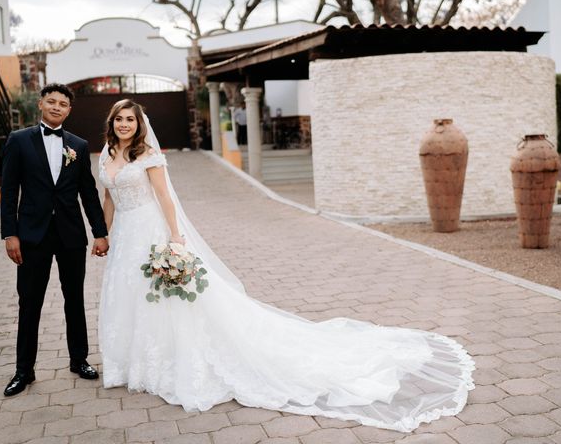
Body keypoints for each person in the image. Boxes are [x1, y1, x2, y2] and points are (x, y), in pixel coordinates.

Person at [98, 99, 475, 432]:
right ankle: (137, 365)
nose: (125, 125)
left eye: (130, 119)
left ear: (140, 123)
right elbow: (109, 197)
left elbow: (165, 198)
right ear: (112, 124)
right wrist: (104, 233)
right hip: (125, 239)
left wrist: (176, 238)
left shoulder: (149, 155)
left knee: (166, 299)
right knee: (131, 296)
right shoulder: (106, 153)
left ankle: (171, 363)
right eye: (119, 120)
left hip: (152, 232)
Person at [0, 83, 109, 397]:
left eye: (63, 103)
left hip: (71, 235)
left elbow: (88, 193)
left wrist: (99, 232)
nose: (57, 107)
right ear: (41, 104)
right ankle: (24, 371)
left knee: (74, 298)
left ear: (69, 110)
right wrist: (10, 233)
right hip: (31, 236)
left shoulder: (78, 144)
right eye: (52, 101)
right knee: (29, 302)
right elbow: (8, 192)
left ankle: (79, 359)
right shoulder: (18, 141)